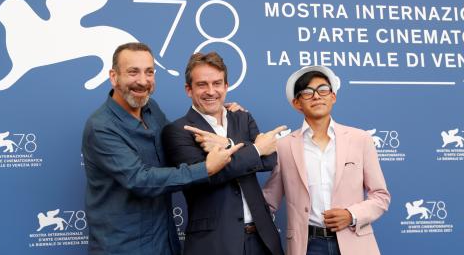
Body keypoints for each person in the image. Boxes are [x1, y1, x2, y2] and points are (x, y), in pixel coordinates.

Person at [81, 43, 243, 255]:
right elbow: (140, 179)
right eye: (133, 72)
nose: (142, 81)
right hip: (122, 247)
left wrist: (219, 115)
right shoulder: (101, 127)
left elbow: (179, 139)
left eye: (149, 72)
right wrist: (206, 169)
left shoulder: (151, 109)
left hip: (165, 241)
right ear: (114, 77)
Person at [162, 52, 286, 255]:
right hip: (214, 243)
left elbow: (270, 159)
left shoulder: (243, 118)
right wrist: (255, 149)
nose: (211, 91)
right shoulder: (179, 130)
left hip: (263, 239)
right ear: (188, 90)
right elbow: (207, 176)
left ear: (226, 86)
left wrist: (226, 144)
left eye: (217, 83)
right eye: (202, 84)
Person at [263, 65, 391, 255]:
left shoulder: (360, 139)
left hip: (354, 241)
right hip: (307, 246)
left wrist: (351, 215)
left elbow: (381, 196)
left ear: (333, 97)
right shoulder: (283, 146)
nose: (316, 96)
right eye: (307, 92)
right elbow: (268, 202)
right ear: (297, 103)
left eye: (323, 90)